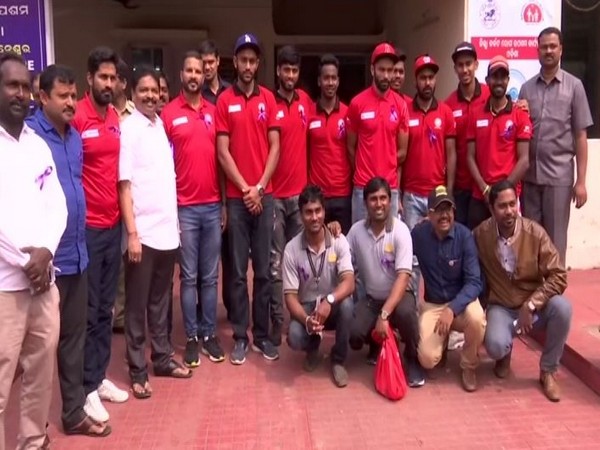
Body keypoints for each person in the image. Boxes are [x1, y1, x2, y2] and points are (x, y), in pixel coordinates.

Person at [25, 64, 111, 436]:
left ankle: (73, 412)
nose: (71, 102)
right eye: (63, 96)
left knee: (75, 337)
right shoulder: (29, 139)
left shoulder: (75, 137)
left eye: (74, 95)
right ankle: (33, 425)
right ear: (42, 97)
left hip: (79, 253)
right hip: (47, 263)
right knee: (39, 348)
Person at [0, 52, 67, 448]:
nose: (21, 94)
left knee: (41, 376)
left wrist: (46, 251)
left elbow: (56, 204)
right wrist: (27, 261)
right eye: (12, 85)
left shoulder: (37, 145)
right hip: (6, 288)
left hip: (43, 286)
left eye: (26, 87)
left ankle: (32, 441)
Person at [119, 66, 192, 399]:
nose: (151, 96)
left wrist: (175, 225)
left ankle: (162, 359)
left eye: (156, 91)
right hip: (143, 235)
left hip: (166, 233)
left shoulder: (159, 125)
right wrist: (132, 234)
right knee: (137, 304)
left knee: (161, 303)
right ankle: (137, 369)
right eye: (144, 90)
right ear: (133, 92)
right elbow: (124, 185)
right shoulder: (128, 129)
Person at [473, 180, 572, 402]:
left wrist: (532, 303)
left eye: (512, 204)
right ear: (491, 209)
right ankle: (504, 354)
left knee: (563, 308)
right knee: (496, 346)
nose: (509, 211)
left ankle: (548, 370)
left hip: (534, 305)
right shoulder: (481, 235)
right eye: (502, 206)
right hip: (502, 305)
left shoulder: (535, 233)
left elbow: (559, 274)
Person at [215, 33, 280, 364]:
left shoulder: (268, 99)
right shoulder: (225, 101)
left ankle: (263, 336)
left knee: (265, 272)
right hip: (240, 199)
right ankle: (241, 336)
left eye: (253, 60)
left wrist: (261, 186)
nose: (248, 66)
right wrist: (245, 189)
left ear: (257, 64)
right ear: (236, 62)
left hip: (263, 195)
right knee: (238, 272)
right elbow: (223, 152)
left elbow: (275, 147)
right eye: (243, 60)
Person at [72, 46, 129, 423]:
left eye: (113, 78)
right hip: (88, 229)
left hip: (113, 225)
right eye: (102, 77)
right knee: (89, 312)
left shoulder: (113, 117)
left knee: (107, 309)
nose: (108, 84)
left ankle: (99, 375)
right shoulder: (77, 116)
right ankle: (85, 388)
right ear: (89, 78)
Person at [161, 51, 226, 367]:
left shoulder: (215, 112)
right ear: (181, 74)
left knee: (210, 277)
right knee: (188, 278)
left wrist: (224, 203)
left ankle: (209, 334)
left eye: (198, 70)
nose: (193, 75)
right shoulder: (169, 115)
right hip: (183, 208)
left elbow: (222, 161)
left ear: (205, 75)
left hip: (213, 206)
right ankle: (190, 337)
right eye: (188, 70)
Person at [518, 27, 594, 265]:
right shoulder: (527, 88)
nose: (548, 50)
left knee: (555, 243)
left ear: (561, 49)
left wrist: (580, 182)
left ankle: (555, 297)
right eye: (544, 46)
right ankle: (533, 297)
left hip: (559, 179)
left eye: (553, 46)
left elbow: (581, 137)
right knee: (530, 242)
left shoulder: (575, 87)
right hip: (530, 179)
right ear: (537, 49)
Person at [347, 177, 424, 387]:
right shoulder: (356, 232)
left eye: (383, 198)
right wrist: (332, 230)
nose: (379, 204)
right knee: (353, 334)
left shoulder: (401, 231)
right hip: (372, 299)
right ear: (365, 203)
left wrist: (384, 314)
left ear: (390, 201)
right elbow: (343, 262)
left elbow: (403, 277)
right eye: (373, 199)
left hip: (399, 297)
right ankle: (376, 343)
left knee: (406, 313)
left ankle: (411, 357)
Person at [412, 186, 485, 392]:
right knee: (427, 359)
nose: (444, 215)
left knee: (478, 319)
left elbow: (474, 282)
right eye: (439, 210)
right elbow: (398, 243)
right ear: (429, 214)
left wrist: (452, 309)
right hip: (433, 305)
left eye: (449, 210)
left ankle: (469, 366)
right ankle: (441, 345)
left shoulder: (465, 237)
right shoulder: (419, 234)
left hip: (461, 304)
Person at [283, 185, 355, 387]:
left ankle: (338, 360)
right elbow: (289, 297)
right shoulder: (291, 249)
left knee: (348, 305)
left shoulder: (338, 240)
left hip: (333, 305)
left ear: (324, 212)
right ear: (301, 215)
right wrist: (306, 320)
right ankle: (312, 347)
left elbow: (349, 283)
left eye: (318, 211)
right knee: (295, 336)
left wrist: (329, 300)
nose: (314, 217)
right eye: (308, 212)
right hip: (307, 308)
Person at [402, 54, 456, 297]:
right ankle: (411, 315)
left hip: (438, 196)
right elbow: (400, 156)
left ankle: (441, 308)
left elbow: (452, 154)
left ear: (436, 80)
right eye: (423, 77)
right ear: (416, 81)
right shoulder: (404, 111)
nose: (427, 82)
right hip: (411, 196)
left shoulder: (445, 113)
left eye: (431, 77)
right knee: (411, 256)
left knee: (442, 254)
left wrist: (449, 190)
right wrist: (401, 195)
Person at [269, 45, 313, 346]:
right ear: (278, 71)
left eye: (295, 70)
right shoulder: (267, 103)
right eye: (286, 69)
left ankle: (304, 316)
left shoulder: (305, 102)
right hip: (273, 196)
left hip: (299, 197)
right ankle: (275, 321)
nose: (290, 75)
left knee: (302, 262)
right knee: (275, 262)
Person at [466, 56, 531, 230]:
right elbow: (470, 157)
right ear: (487, 81)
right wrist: (485, 189)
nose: (499, 81)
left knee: (510, 249)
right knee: (477, 249)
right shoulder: (476, 113)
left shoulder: (520, 115)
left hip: (508, 199)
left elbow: (524, 160)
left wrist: (502, 192)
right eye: (495, 77)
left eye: (503, 77)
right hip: (481, 196)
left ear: (508, 80)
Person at [347, 42, 409, 222]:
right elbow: (351, 148)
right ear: (373, 70)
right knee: (359, 243)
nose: (387, 75)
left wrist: (385, 163)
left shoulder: (400, 105)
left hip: (390, 188)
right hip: (362, 187)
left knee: (390, 245)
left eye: (390, 70)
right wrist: (366, 168)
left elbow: (403, 152)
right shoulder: (357, 103)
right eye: (382, 69)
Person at [444, 42, 490, 226]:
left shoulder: (490, 94)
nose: (465, 69)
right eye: (460, 65)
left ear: (476, 65)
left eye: (468, 64)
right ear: (455, 68)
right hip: (461, 186)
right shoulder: (448, 105)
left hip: (486, 186)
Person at [307, 54, 352, 234]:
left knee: (343, 250)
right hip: (318, 196)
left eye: (334, 78)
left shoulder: (349, 113)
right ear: (319, 81)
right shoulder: (308, 112)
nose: (330, 82)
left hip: (343, 194)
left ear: (339, 81)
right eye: (326, 78)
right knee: (319, 250)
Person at [112, 58, 135, 335]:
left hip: (131, 195)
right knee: (114, 261)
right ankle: (117, 315)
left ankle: (129, 312)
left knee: (131, 256)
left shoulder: (135, 114)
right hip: (108, 197)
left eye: (115, 78)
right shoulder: (101, 114)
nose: (110, 83)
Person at [200, 39, 231, 105]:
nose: (207, 67)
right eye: (204, 63)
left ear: (218, 61)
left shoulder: (229, 90)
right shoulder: (197, 92)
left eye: (211, 62)